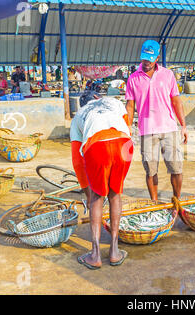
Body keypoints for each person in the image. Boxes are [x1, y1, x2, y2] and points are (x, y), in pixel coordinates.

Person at [70, 91, 133, 269]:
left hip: (97, 146)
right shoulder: (113, 101)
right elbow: (127, 127)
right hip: (124, 144)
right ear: (97, 97)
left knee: (98, 197)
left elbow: (77, 161)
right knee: (115, 194)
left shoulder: (78, 117)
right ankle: (114, 251)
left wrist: (88, 193)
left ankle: (95, 254)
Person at [125, 40, 188, 201]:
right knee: (151, 170)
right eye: (144, 58)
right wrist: (127, 128)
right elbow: (130, 106)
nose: (146, 62)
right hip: (147, 130)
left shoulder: (167, 75)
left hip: (169, 128)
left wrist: (183, 125)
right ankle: (154, 202)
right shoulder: (133, 78)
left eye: (149, 59)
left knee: (176, 168)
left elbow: (176, 101)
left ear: (157, 57)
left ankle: (177, 199)